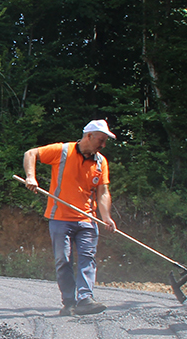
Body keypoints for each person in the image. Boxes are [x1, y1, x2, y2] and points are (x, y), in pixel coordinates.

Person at [22, 119, 118, 315]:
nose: (103, 145)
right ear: (89, 136)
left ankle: (85, 299)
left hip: (87, 219)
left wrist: (106, 216)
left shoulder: (101, 162)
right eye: (101, 140)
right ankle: (69, 301)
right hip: (60, 217)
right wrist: (31, 176)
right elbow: (30, 153)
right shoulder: (63, 151)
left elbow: (103, 192)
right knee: (63, 260)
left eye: (105, 141)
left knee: (87, 258)